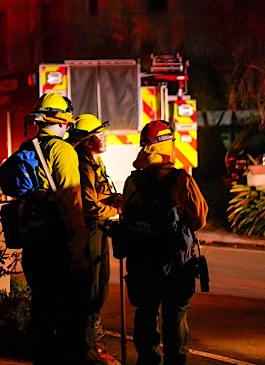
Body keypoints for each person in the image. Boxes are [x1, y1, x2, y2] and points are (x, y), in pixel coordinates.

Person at [121, 120, 208, 365]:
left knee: (145, 312)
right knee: (175, 315)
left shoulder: (132, 182)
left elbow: (126, 216)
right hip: (175, 262)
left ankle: (148, 360)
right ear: (164, 146)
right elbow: (199, 217)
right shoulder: (180, 180)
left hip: (140, 261)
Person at [19, 92, 94, 364]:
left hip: (34, 242)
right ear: (61, 121)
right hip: (59, 243)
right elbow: (71, 198)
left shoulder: (26, 147)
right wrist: (80, 235)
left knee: (41, 308)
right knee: (71, 311)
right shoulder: (63, 150)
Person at [68, 113, 121, 365]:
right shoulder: (84, 165)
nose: (104, 137)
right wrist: (117, 209)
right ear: (88, 141)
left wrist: (111, 200)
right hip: (90, 231)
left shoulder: (94, 162)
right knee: (89, 289)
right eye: (99, 134)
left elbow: (98, 197)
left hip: (98, 231)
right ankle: (84, 347)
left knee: (99, 289)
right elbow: (90, 206)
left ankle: (89, 341)